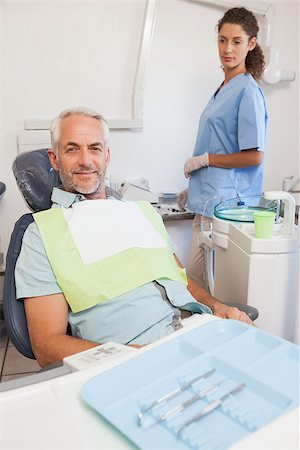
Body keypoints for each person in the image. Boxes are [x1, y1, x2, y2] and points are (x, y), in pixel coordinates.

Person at [15, 107, 252, 368]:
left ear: (106, 156)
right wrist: (135, 358)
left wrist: (217, 307)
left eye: (94, 148)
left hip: (198, 334)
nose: (85, 160)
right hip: (136, 362)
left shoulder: (140, 212)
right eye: (72, 149)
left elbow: (180, 279)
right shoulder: (42, 235)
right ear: (55, 158)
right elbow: (47, 345)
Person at [178, 7, 268, 288]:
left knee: (206, 287)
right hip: (208, 201)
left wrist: (203, 161)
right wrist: (195, 184)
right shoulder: (223, 88)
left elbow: (254, 156)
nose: (227, 49)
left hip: (227, 208)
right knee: (193, 282)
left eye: (237, 41)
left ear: (251, 44)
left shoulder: (247, 92)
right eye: (222, 40)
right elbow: (222, 141)